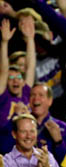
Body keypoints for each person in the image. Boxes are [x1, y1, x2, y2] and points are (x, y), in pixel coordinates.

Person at [0, 18, 36, 154]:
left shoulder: (26, 93)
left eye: (18, 78)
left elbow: (30, 67)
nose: (15, 81)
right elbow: (3, 70)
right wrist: (4, 42)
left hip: (24, 149)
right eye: (11, 78)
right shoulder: (3, 96)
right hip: (4, 148)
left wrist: (30, 39)